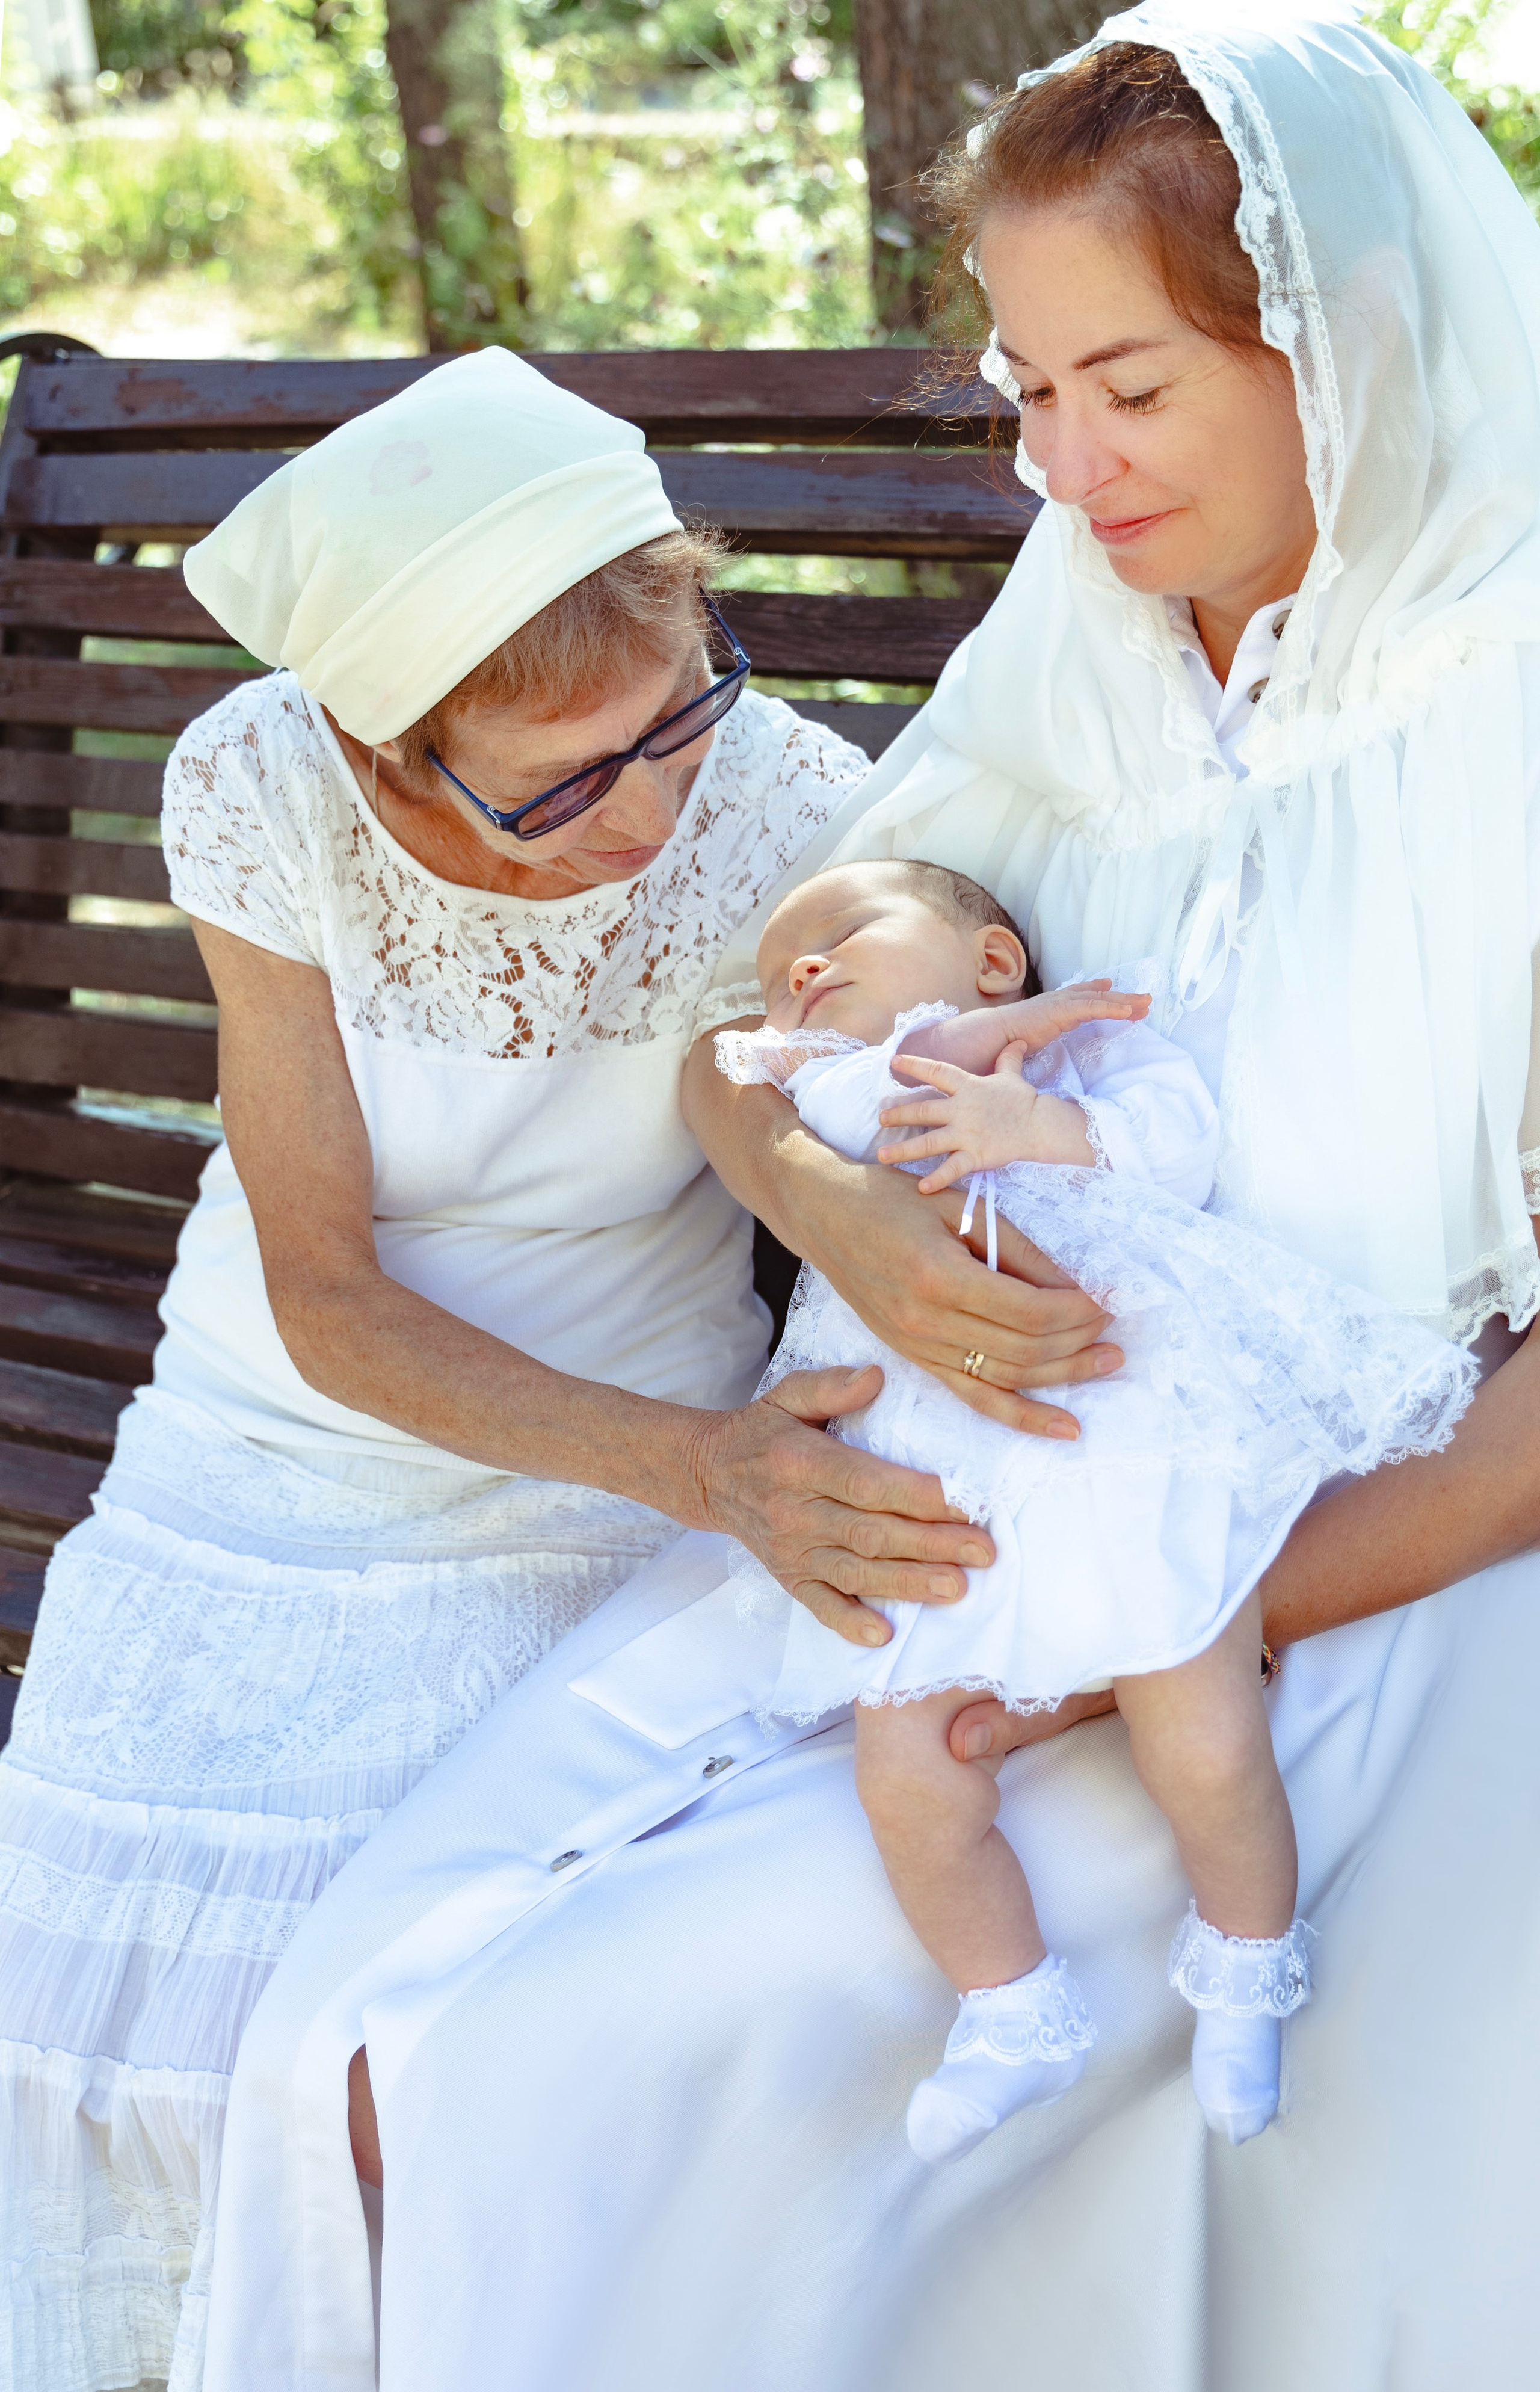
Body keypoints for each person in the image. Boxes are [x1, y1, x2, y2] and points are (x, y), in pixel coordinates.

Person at [203, 16, 1540, 2391]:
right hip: (939, 1515)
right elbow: (757, 1038)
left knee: (575, 2068)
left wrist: (1142, 1616)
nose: (1066, 466)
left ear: (1344, 326)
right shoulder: (1083, 630)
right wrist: (838, 1203)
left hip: (1335, 1587)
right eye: (1028, 391)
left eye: (1128, 386)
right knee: (366, 2035)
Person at [0, 350, 1046, 2392]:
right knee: (92, 2011)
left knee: (423, 2034)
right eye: (561, 785)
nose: (646, 814)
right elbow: (326, 1288)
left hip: (619, 1470)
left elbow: (785, 1103)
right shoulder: (257, 781)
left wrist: (850, 1226)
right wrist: (709, 1469)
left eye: (674, 722)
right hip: (283, 1425)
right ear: (387, 752)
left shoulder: (787, 808)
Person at [717, 855, 1471, 2161]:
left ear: (995, 958)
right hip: (941, 1489)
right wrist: (951, 1056)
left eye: (842, 931)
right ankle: (1009, 2011)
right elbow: (839, 1100)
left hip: (1124, 1454)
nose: (806, 968)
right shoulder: (846, 1090)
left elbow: (1178, 1142)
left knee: (1205, 1739)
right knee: (907, 1773)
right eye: (785, 972)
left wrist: (1038, 1125)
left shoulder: (1093, 1052)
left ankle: (1244, 1969)